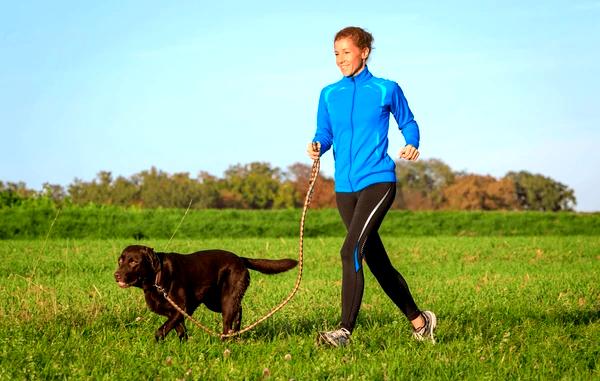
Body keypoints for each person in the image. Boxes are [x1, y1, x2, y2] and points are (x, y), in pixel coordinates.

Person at [307, 26, 436, 347]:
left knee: (350, 250)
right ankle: (421, 322)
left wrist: (412, 142)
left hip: (378, 180)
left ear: (364, 52)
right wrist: (317, 145)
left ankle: (344, 331)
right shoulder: (328, 94)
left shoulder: (385, 89)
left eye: (346, 52)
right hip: (344, 188)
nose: (340, 59)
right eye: (336, 53)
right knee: (375, 261)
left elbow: (408, 121)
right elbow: (324, 131)